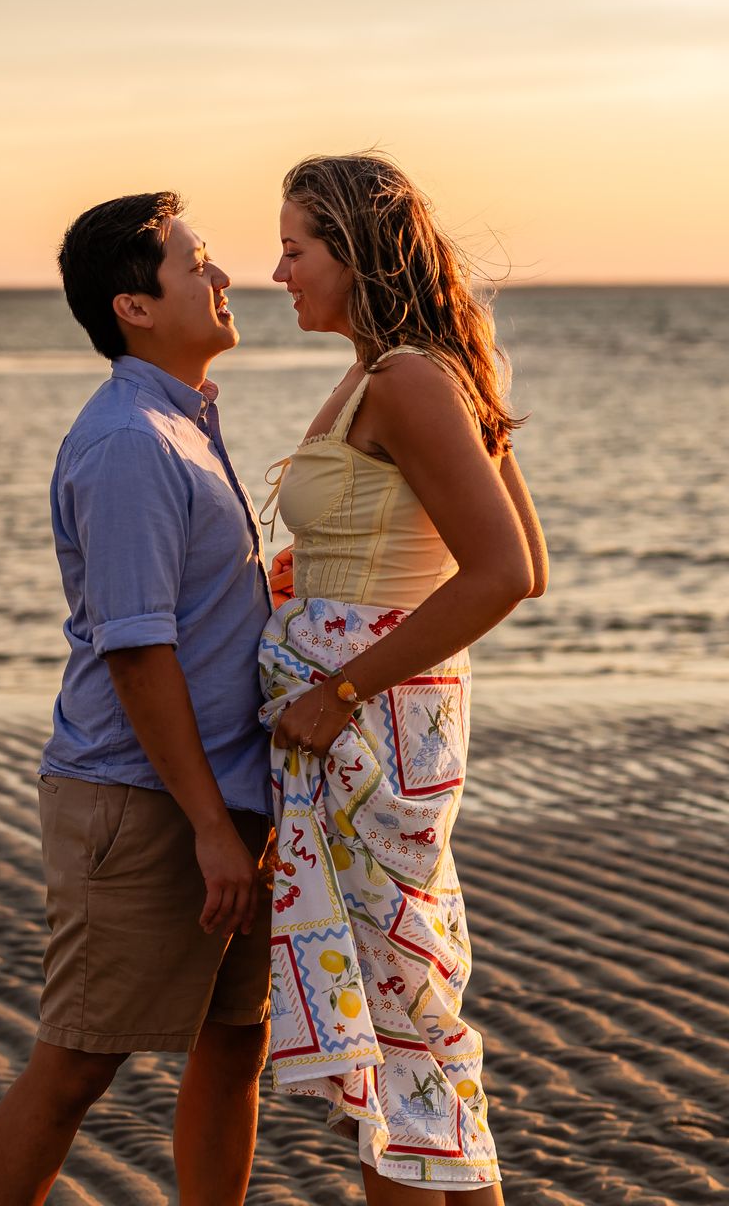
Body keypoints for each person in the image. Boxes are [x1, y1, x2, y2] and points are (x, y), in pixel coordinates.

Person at [0, 192, 275, 1206]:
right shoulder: (131, 443)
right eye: (195, 264)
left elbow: (188, 611)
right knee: (76, 1062)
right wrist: (208, 829)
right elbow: (137, 650)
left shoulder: (186, 421)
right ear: (134, 306)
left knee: (237, 1039)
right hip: (145, 802)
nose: (222, 277)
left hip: (219, 796)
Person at [259, 152, 548, 1202]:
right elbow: (520, 554)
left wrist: (337, 683)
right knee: (406, 1015)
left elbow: (511, 571)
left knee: (402, 1018)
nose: (278, 269)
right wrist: (322, 579)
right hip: (380, 717)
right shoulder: (408, 369)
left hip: (372, 724)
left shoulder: (408, 378)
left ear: (351, 251)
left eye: (296, 248)